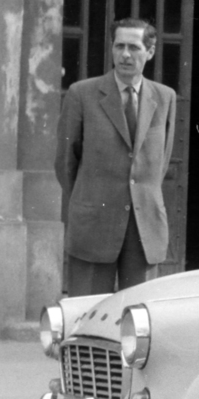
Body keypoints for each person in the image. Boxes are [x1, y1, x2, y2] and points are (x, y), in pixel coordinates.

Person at [56, 18, 178, 296]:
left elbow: (161, 161)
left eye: (134, 47)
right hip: (93, 225)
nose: (125, 54)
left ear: (150, 51)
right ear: (111, 49)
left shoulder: (165, 97)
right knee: (87, 313)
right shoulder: (82, 94)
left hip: (143, 227)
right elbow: (66, 162)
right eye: (119, 46)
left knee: (138, 318)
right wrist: (90, 198)